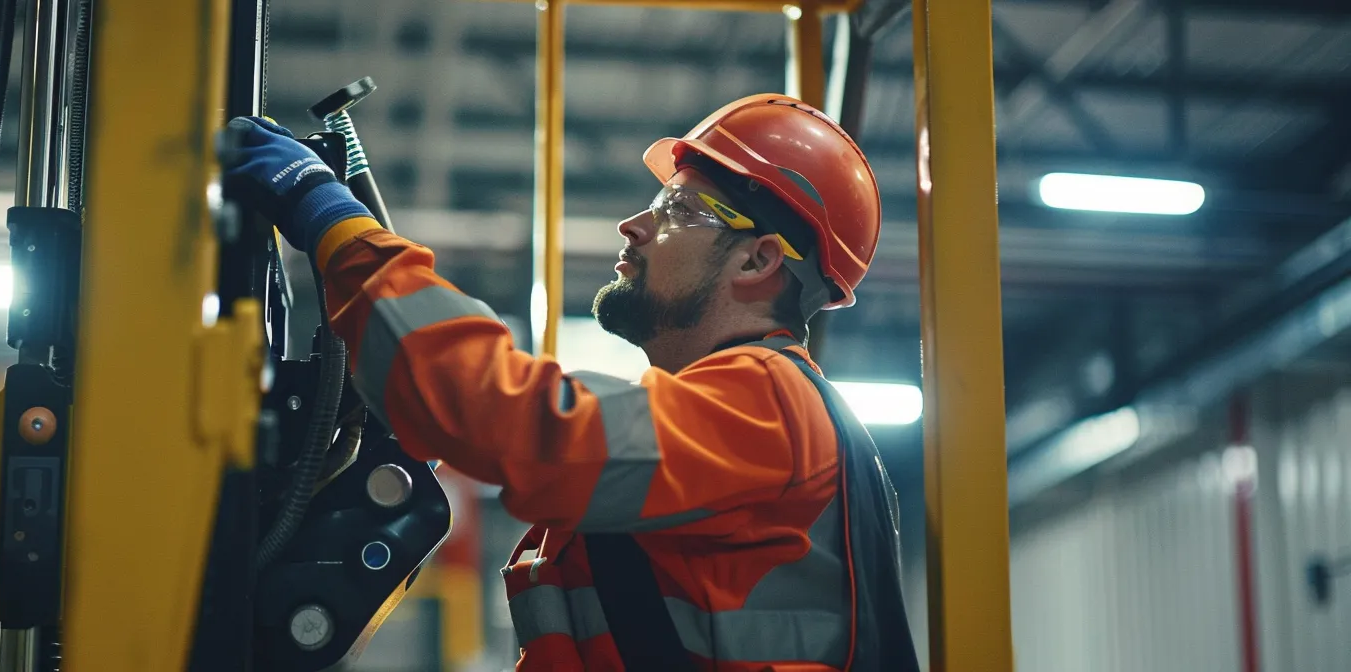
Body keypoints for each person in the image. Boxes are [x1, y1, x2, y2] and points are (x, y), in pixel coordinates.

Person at [219, 93, 919, 672]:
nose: (634, 225)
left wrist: (330, 218)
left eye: (676, 210)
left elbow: (510, 417)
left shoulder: (772, 407)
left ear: (758, 260)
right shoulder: (727, 424)